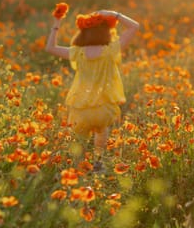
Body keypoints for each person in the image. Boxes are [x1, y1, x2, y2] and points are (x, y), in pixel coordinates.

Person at [45, 9, 139, 172]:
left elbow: (51, 48)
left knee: (79, 141)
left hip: (81, 108)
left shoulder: (78, 53)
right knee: (102, 130)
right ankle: (98, 161)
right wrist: (115, 14)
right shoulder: (111, 50)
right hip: (104, 108)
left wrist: (57, 23)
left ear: (84, 33)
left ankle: (78, 170)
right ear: (106, 32)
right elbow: (134, 27)